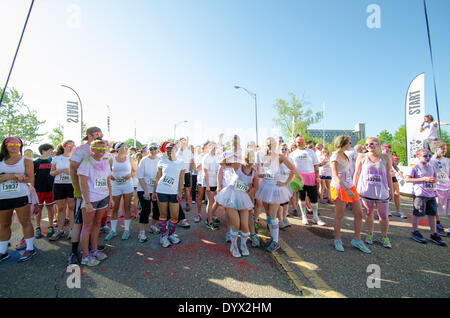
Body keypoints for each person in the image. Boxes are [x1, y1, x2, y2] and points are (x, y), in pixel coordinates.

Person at [68, 126, 104, 265]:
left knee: (94, 222)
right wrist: (77, 189)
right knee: (80, 222)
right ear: (88, 135)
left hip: (99, 192)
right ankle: (73, 251)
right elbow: (72, 170)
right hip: (85, 193)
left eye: (100, 134)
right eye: (96, 134)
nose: (99, 136)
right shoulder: (80, 150)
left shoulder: (102, 147)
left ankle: (91, 247)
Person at [255, 137, 297, 253]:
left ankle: (276, 242)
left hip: (276, 189)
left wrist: (285, 183)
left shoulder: (280, 157)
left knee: (273, 215)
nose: (271, 146)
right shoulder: (264, 157)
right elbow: (264, 174)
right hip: (265, 187)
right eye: (268, 144)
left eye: (273, 144)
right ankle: (273, 238)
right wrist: (254, 174)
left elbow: (293, 170)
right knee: (268, 214)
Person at [215, 146, 258, 257]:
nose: (250, 160)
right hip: (231, 196)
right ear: (244, 158)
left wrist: (249, 191)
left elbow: (255, 187)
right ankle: (233, 246)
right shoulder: (237, 165)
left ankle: (243, 245)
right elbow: (222, 163)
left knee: (244, 225)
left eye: (252, 158)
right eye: (248, 157)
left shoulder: (254, 171)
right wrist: (234, 156)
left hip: (243, 197)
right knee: (236, 224)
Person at [331, 136, 371, 254]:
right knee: (340, 214)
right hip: (340, 187)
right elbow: (335, 175)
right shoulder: (334, 157)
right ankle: (337, 239)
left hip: (350, 186)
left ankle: (357, 240)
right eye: (349, 142)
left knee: (359, 213)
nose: (351, 144)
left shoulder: (346, 155)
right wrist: (345, 189)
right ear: (344, 143)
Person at [78, 139, 113, 266]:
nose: (100, 151)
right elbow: (83, 184)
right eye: (97, 149)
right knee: (87, 226)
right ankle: (86, 255)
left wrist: (110, 198)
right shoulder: (86, 163)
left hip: (103, 197)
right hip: (91, 199)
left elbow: (108, 181)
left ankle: (94, 250)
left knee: (97, 224)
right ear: (91, 149)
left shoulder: (105, 162)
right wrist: (87, 202)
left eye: (102, 149)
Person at [354, 137, 394, 248]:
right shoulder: (362, 157)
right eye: (367, 145)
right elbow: (357, 173)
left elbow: (388, 174)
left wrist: (391, 189)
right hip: (367, 190)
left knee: (383, 215)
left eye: (372, 144)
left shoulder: (385, 158)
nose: (369, 146)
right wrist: (353, 189)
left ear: (378, 145)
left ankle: (384, 236)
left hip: (381, 191)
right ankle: (370, 234)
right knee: (368, 213)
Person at [0, 137, 36, 262]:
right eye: (10, 143)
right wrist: (14, 176)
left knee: (25, 222)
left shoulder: (26, 160)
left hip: (20, 195)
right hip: (3, 197)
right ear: (5, 145)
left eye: (17, 144)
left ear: (20, 145)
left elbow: (29, 178)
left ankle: (30, 248)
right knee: (4, 224)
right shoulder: (1, 160)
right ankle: (3, 251)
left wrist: (7, 176)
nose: (14, 146)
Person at [406, 148, 446, 246]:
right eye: (425, 156)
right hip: (420, 194)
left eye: (429, 156)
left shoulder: (431, 167)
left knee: (432, 214)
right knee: (417, 213)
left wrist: (433, 180)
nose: (427, 157)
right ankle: (415, 231)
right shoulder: (415, 167)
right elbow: (407, 179)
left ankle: (434, 233)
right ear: (418, 156)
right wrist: (424, 179)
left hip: (431, 194)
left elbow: (436, 178)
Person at [152, 142, 185, 248]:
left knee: (174, 216)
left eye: (172, 148)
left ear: (176, 149)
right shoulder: (162, 161)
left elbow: (181, 179)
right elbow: (158, 177)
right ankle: (163, 236)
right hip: (161, 191)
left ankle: (170, 235)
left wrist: (180, 192)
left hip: (174, 192)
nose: (170, 150)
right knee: (163, 216)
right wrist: (153, 192)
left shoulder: (181, 162)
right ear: (165, 150)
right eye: (168, 149)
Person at [289, 136, 325, 226]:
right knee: (301, 197)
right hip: (299, 178)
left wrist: (317, 176)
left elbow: (316, 165)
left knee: (313, 198)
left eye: (301, 141)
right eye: (298, 141)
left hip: (311, 177)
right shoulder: (293, 154)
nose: (300, 142)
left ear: (304, 142)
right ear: (295, 143)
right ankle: (304, 216)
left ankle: (315, 217)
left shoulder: (311, 152)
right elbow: (290, 167)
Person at [105, 142, 136, 241]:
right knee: (115, 208)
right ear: (118, 149)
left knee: (127, 207)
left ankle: (126, 230)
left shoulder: (129, 159)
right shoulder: (112, 159)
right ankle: (113, 230)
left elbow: (134, 170)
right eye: (123, 147)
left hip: (127, 185)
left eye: (126, 147)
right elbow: (106, 171)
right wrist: (111, 176)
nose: (126, 149)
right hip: (116, 186)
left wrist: (130, 175)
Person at [49, 140, 75, 241]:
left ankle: (72, 229)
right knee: (61, 208)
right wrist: (59, 171)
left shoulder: (75, 158)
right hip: (59, 184)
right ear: (64, 146)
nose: (71, 147)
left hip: (71, 185)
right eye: (69, 145)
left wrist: (71, 172)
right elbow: (51, 173)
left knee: (72, 207)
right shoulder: (56, 158)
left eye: (73, 146)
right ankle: (59, 229)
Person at [136, 143, 161, 242]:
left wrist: (155, 191)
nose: (153, 150)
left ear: (158, 149)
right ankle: (141, 232)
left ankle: (153, 226)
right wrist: (146, 191)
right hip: (143, 189)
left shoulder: (160, 160)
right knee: (146, 210)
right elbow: (140, 177)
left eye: (155, 148)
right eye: (151, 148)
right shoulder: (144, 160)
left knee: (158, 209)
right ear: (148, 150)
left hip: (156, 189)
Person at [33, 143, 56, 239]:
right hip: (39, 190)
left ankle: (51, 226)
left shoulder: (52, 161)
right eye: (51, 150)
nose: (52, 152)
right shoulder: (36, 162)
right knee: (38, 209)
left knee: (51, 208)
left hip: (50, 189)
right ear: (44, 151)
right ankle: (38, 227)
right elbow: (32, 177)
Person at [430, 141, 450, 236]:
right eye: (442, 148)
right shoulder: (431, 161)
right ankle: (437, 225)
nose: (445, 150)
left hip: (448, 187)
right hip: (437, 188)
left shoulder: (447, 160)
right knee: (437, 206)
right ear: (435, 149)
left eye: (445, 148)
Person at [381, 144, 407, 219]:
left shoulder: (391, 157)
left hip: (392, 176)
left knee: (397, 193)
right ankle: (387, 209)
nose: (388, 149)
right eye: (386, 147)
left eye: (389, 147)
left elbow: (395, 166)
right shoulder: (380, 156)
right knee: (386, 193)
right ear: (382, 148)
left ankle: (398, 210)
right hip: (384, 176)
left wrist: (400, 173)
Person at [176, 137, 195, 212]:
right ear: (179, 142)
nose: (183, 143)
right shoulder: (176, 152)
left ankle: (187, 203)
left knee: (187, 189)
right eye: (182, 142)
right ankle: (177, 204)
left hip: (186, 173)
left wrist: (189, 171)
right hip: (178, 173)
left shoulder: (189, 151)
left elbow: (192, 162)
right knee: (179, 189)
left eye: (184, 142)